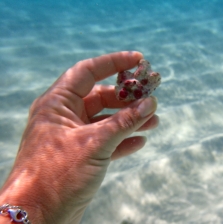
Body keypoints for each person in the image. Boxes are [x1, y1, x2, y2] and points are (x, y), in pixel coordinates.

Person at [0, 51, 159, 224]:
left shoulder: (132, 80)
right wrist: (42, 209)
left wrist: (39, 208)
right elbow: (140, 76)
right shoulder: (132, 81)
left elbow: (143, 76)